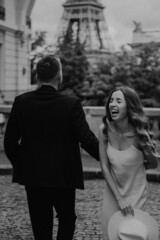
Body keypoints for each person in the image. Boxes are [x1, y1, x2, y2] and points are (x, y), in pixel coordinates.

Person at [4, 55, 99, 240]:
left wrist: (23, 167)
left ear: (37, 76)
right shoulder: (71, 103)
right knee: (67, 218)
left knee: (40, 225)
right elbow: (86, 139)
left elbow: (9, 143)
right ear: (59, 75)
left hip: (33, 177)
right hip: (64, 177)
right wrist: (108, 157)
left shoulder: (22, 102)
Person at [98, 86, 159, 240]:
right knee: (110, 233)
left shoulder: (140, 134)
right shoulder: (104, 130)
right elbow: (105, 166)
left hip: (135, 193)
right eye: (111, 100)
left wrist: (147, 150)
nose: (113, 104)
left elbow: (153, 164)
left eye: (119, 101)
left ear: (130, 106)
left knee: (131, 234)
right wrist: (119, 198)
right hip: (113, 193)